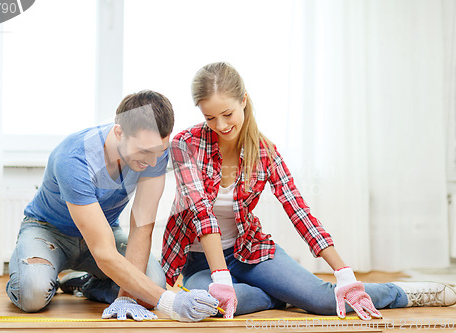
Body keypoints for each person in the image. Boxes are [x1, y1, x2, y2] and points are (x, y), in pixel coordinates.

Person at [161, 62, 456, 320]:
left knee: (327, 300)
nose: (220, 125)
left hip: (249, 251)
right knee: (208, 304)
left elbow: (299, 211)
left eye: (227, 114)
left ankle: (404, 293)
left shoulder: (266, 152)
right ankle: (281, 295)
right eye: (210, 118)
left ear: (244, 101)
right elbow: (201, 213)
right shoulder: (185, 144)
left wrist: (344, 273)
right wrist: (220, 276)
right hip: (200, 261)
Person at [6, 90, 219, 322]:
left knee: (151, 288)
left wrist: (128, 297)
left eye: (158, 152)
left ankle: (84, 284)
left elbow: (142, 227)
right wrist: (170, 302)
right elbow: (104, 252)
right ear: (119, 132)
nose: (152, 162)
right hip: (48, 232)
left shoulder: (155, 152)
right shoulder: (73, 159)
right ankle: (38, 272)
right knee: (33, 295)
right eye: (144, 152)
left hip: (103, 230)